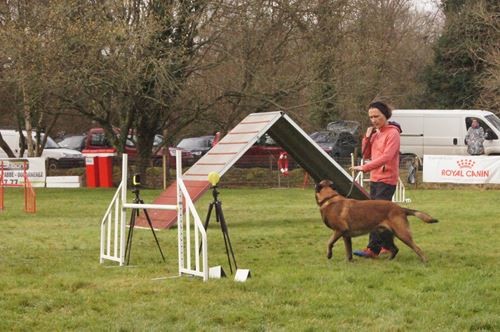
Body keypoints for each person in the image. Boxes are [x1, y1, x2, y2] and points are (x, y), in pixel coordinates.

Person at [351, 101, 402, 258]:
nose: (373, 120)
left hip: (387, 180)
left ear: (385, 115)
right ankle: (386, 246)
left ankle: (373, 249)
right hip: (375, 178)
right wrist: (367, 137)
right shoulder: (376, 133)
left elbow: (387, 157)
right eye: (371, 117)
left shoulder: (392, 133)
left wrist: (365, 168)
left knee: (374, 216)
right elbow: (366, 155)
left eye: (377, 116)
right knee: (382, 216)